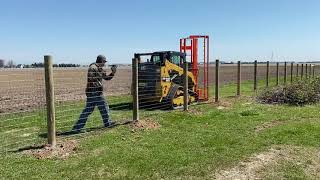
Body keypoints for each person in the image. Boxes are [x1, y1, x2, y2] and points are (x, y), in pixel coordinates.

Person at [72, 55, 117, 132]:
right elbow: (91, 80)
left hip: (93, 92)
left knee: (88, 110)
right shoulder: (92, 68)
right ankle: (108, 123)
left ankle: (77, 128)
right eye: (104, 62)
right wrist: (97, 89)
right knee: (104, 107)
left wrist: (113, 72)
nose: (105, 63)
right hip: (95, 92)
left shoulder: (99, 68)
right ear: (101, 61)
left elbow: (106, 78)